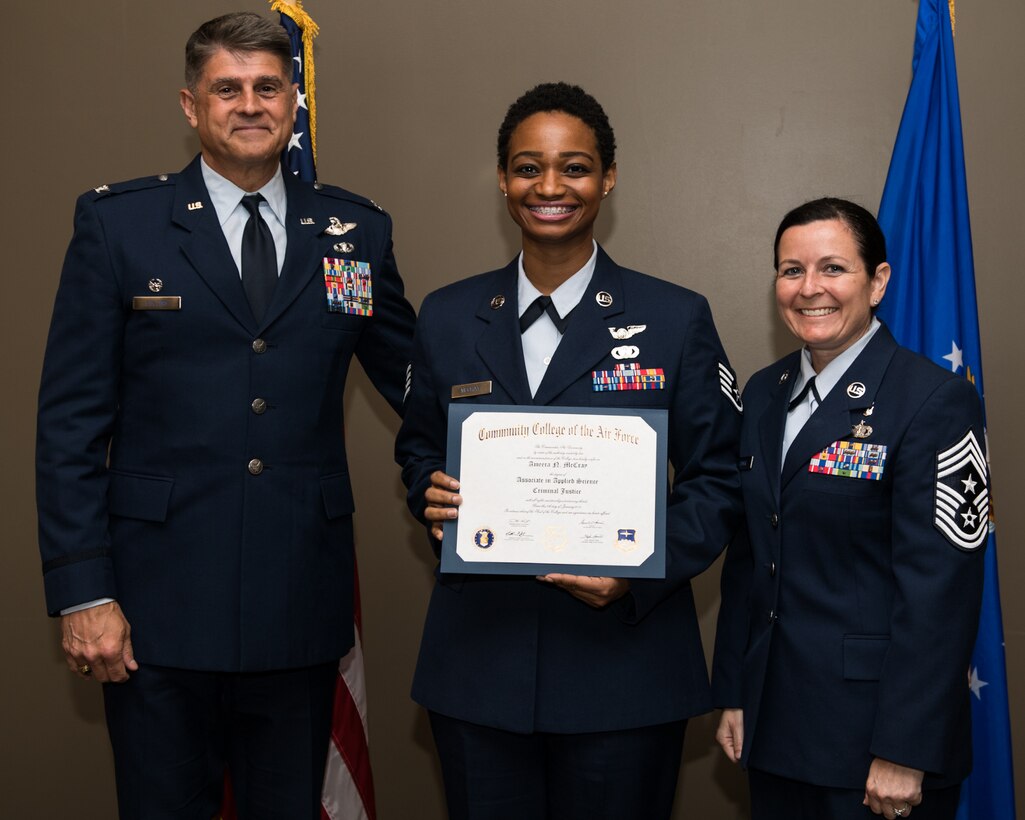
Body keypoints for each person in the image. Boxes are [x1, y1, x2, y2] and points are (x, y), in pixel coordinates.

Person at [35, 12, 415, 819]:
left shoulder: (354, 232)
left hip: (297, 605)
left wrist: (532, 438)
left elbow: (417, 384)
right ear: (190, 104)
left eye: (267, 88)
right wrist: (82, 593)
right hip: (154, 610)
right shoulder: (119, 226)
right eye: (227, 88)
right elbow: (70, 425)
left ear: (293, 102)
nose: (249, 105)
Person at [394, 82, 743, 820]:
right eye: (528, 167)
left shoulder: (674, 318)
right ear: (502, 179)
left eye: (574, 167)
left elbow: (719, 478)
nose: (549, 187)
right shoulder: (448, 315)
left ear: (607, 178)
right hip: (479, 667)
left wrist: (639, 570)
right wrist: (433, 493)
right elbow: (419, 447)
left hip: (624, 671)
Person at [711, 198, 987, 820]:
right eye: (791, 270)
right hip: (774, 727)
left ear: (878, 282)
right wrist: (736, 689)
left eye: (833, 268)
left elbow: (939, 595)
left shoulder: (933, 400)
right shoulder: (763, 392)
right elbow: (750, 558)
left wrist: (905, 749)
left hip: (874, 744)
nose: (810, 288)